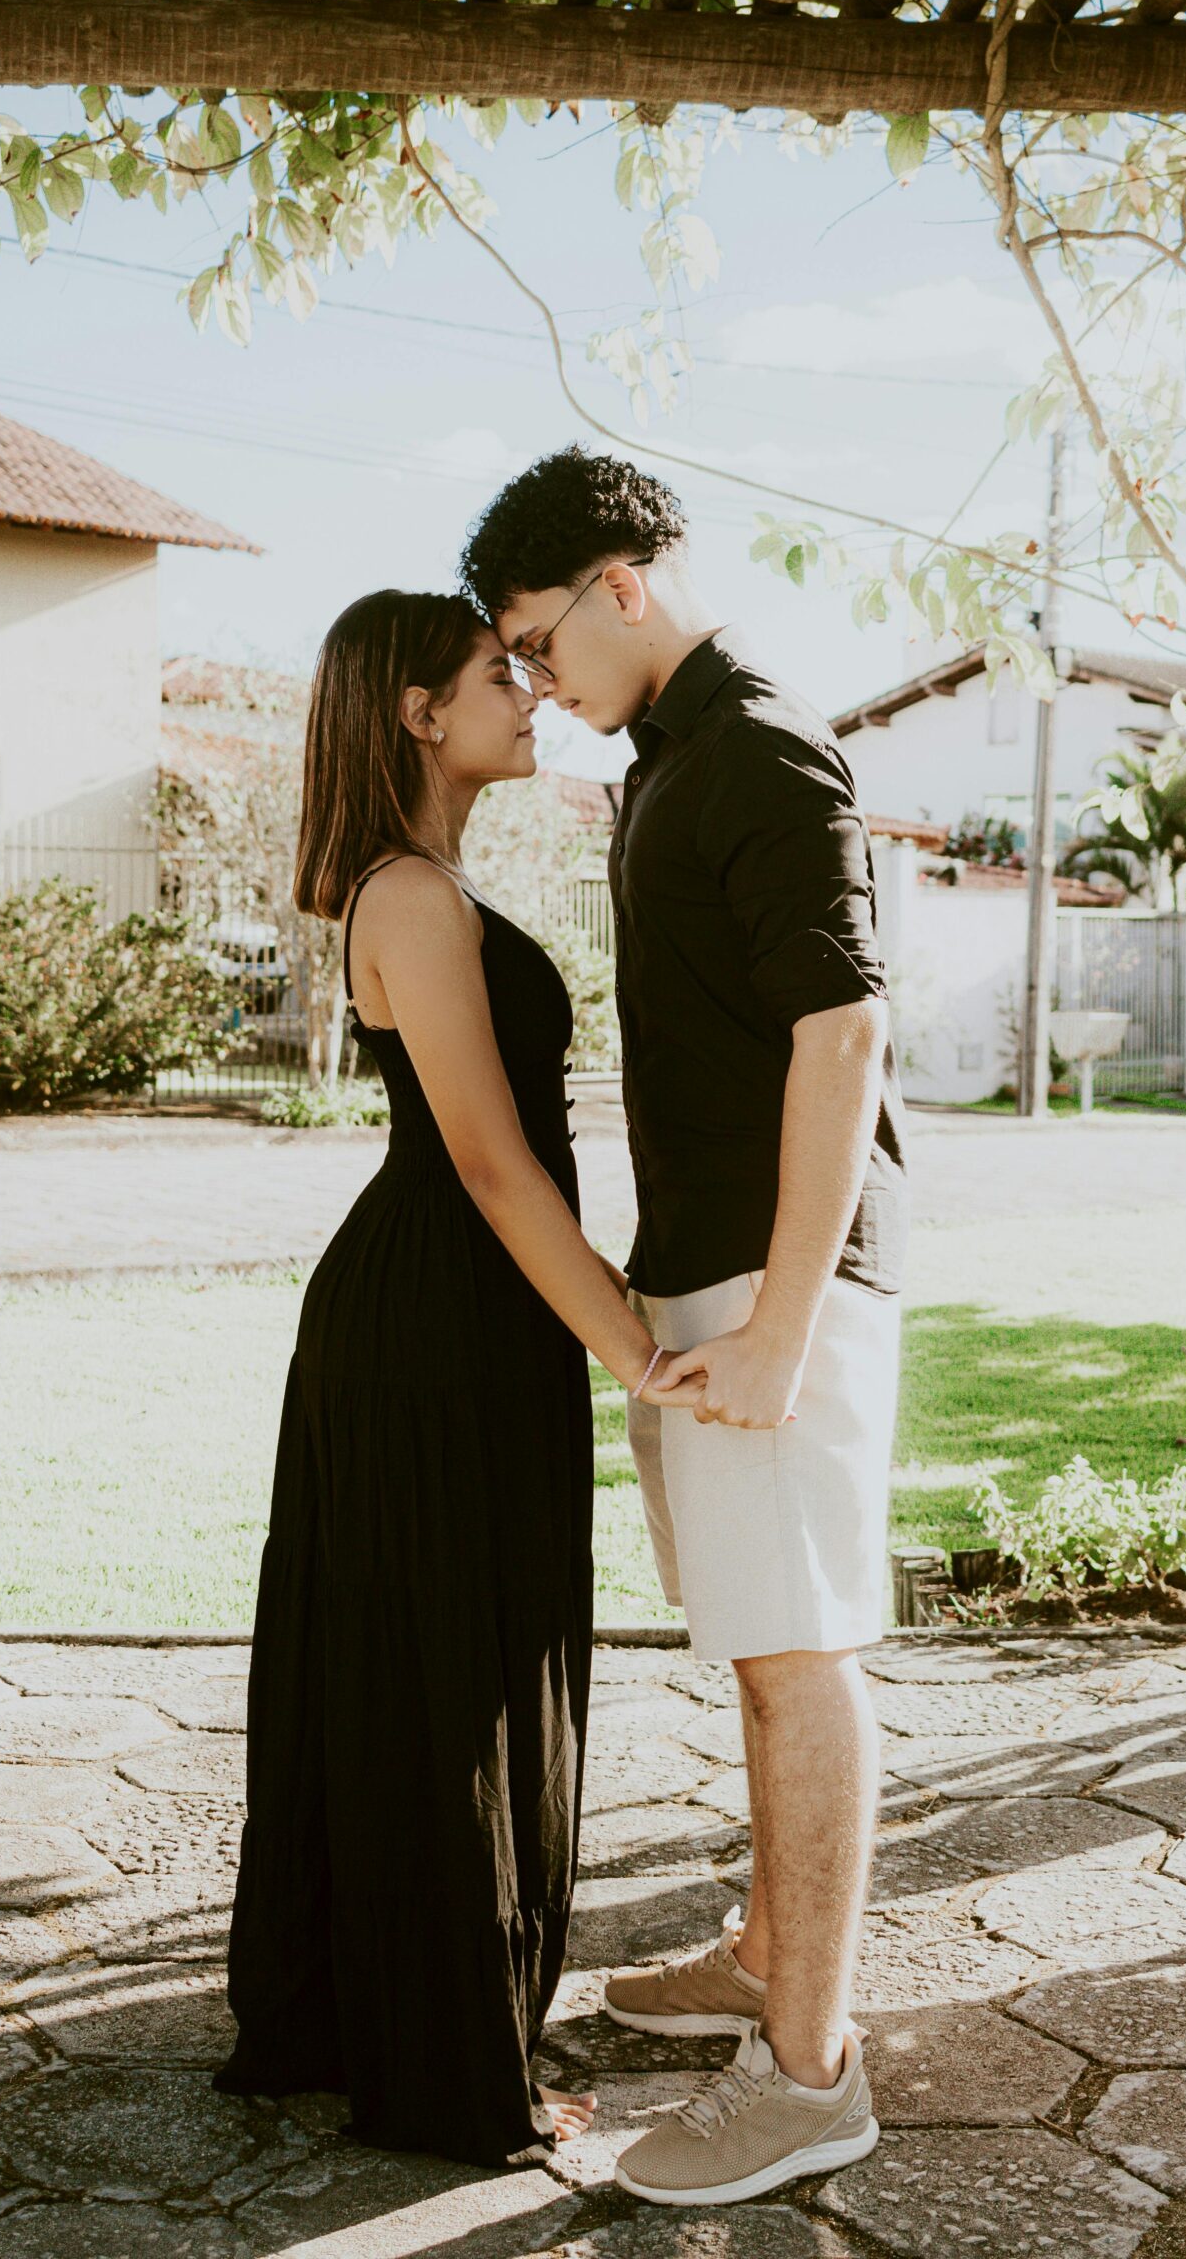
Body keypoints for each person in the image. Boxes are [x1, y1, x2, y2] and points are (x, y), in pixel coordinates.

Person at [460, 448, 907, 2208]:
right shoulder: (670, 759)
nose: (535, 684)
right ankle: (760, 1953)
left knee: (801, 1662)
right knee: (753, 1637)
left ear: (621, 581)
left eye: (536, 639)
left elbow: (842, 1037)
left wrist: (786, 1323)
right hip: (705, 1273)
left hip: (780, 1287)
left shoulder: (770, 748)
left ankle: (808, 2076)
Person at [215, 587, 698, 2170]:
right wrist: (633, 1340)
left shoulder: (431, 882)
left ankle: (406, 2016)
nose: (531, 691)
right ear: (419, 715)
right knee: (445, 1679)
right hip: (434, 1315)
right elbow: (490, 1165)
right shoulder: (410, 896)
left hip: (468, 1312)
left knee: (445, 1658)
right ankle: (442, 2063)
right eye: (500, 672)